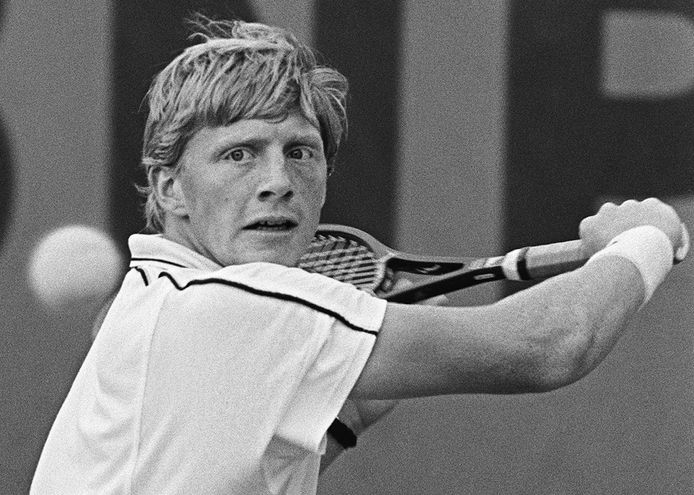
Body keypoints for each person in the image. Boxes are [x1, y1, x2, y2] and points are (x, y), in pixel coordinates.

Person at [30, 16, 688, 495]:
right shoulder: (228, 305)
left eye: (301, 151)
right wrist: (644, 239)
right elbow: (551, 344)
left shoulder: (151, 302)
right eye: (239, 153)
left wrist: (340, 422)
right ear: (171, 187)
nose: (278, 179)